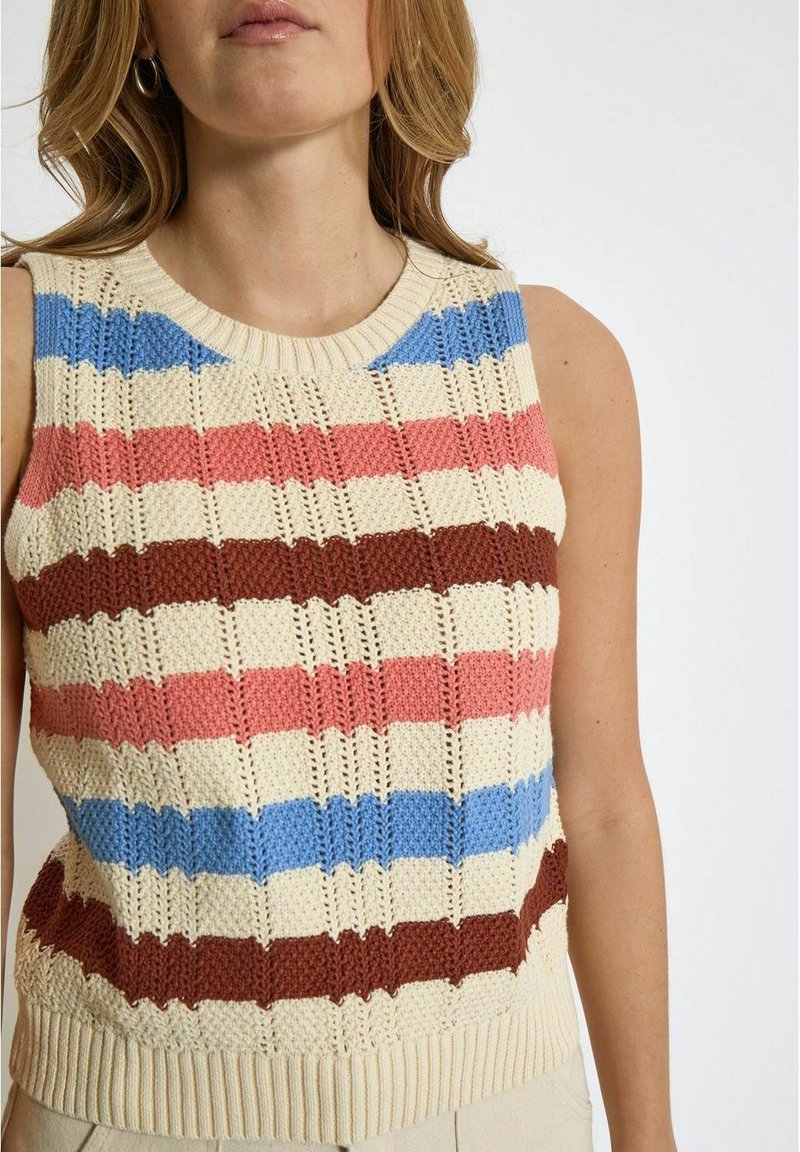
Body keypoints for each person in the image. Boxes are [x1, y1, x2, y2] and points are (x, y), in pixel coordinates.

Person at [0, 1, 679, 1150]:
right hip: (123, 1119)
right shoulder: (29, 356)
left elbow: (602, 799)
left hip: (502, 1116)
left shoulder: (551, 365)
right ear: (139, 27)